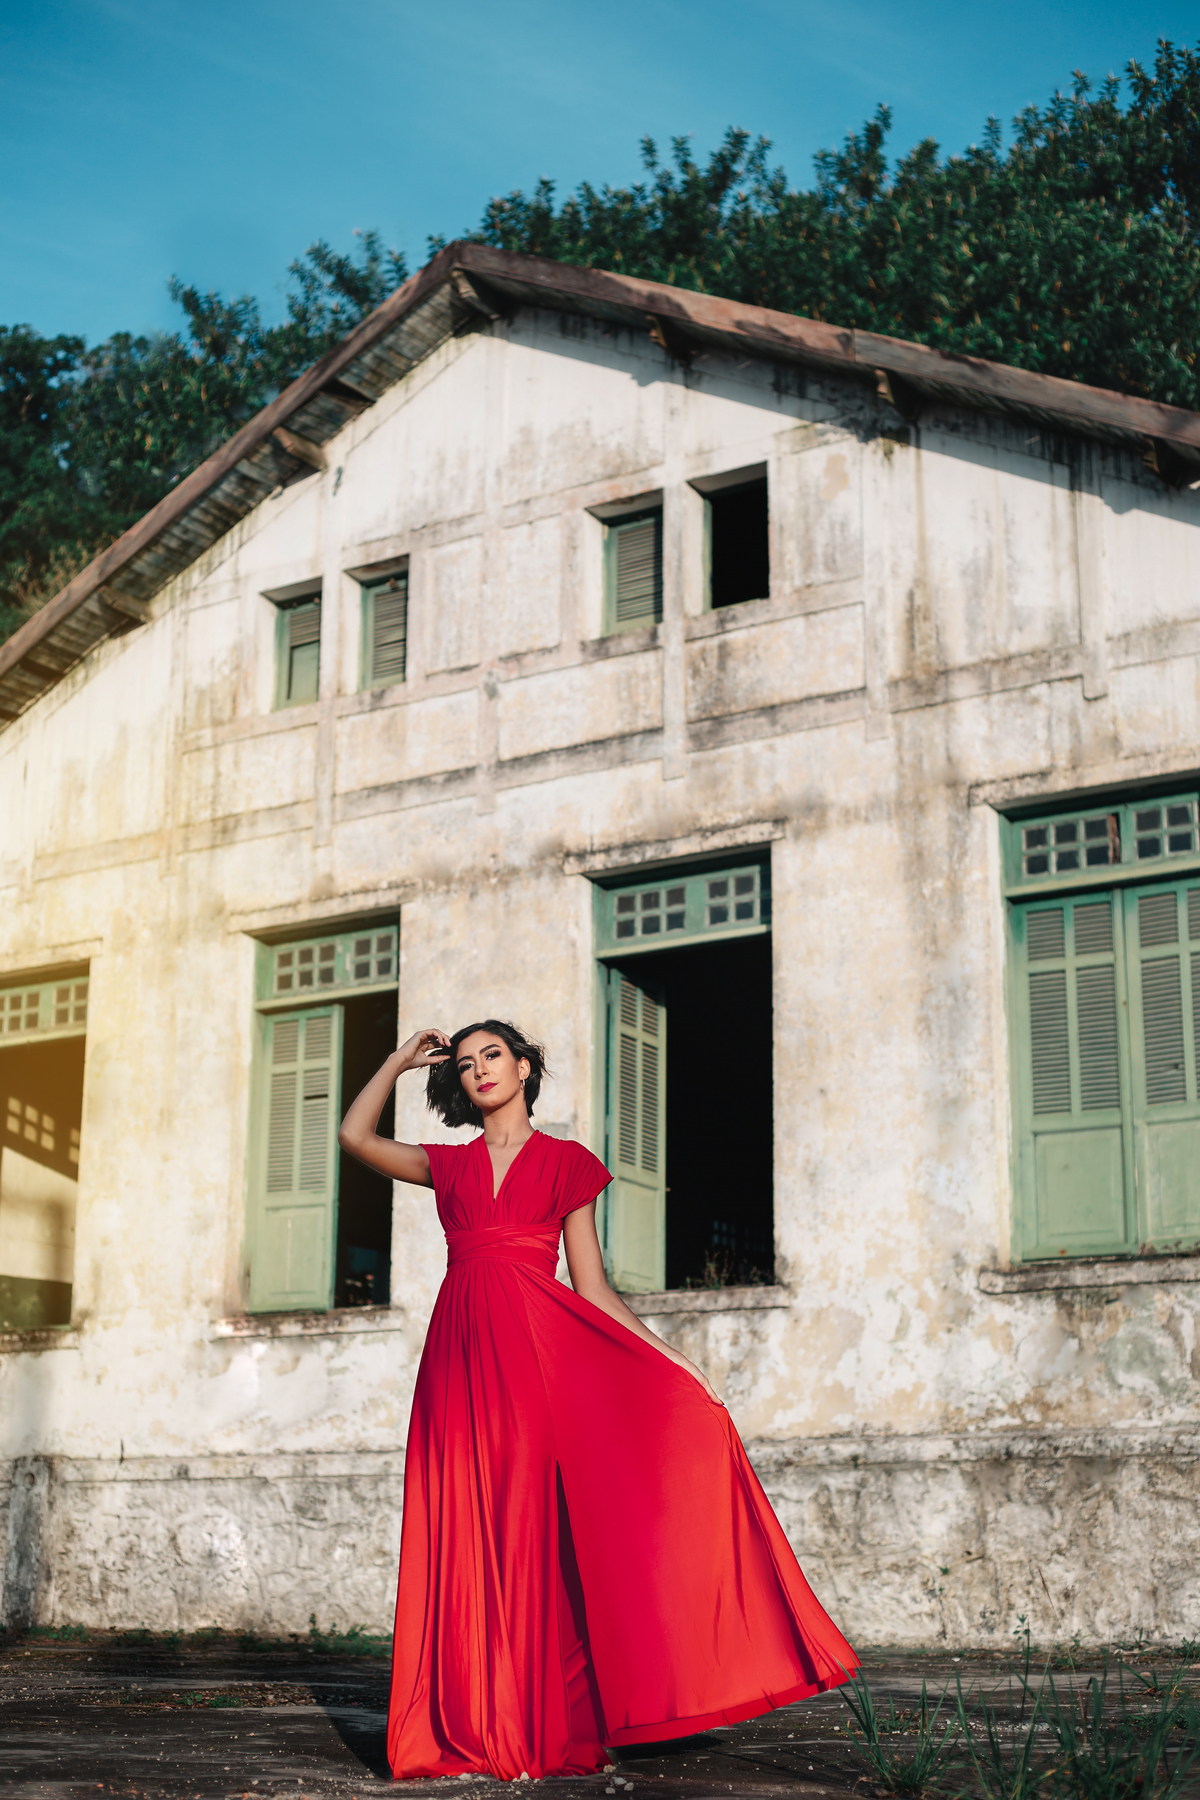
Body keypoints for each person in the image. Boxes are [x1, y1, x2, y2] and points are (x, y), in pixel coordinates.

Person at [338, 1018, 858, 1782]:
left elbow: (594, 1288)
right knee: (463, 1528)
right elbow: (355, 1136)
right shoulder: (448, 1168)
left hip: (533, 1364)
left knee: (526, 1533)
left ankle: (529, 1715)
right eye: (468, 1061)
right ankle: (472, 1718)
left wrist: (676, 1360)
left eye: (494, 1056)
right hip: (456, 1361)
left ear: (523, 1069)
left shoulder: (568, 1164)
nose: (480, 1070)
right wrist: (395, 1062)